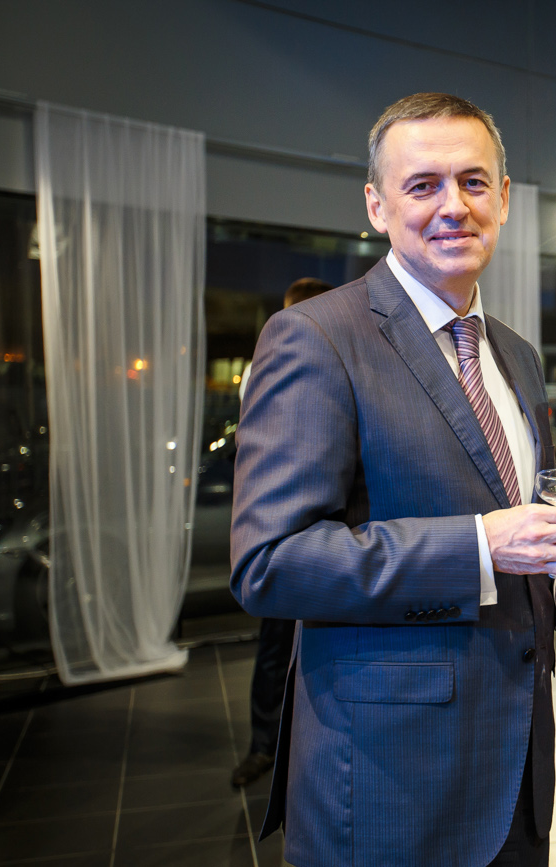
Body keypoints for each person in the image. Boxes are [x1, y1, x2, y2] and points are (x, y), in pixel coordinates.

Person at [230, 92, 556, 866]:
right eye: (423, 185)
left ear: (503, 199)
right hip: (389, 779)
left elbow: (509, 523)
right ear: (377, 205)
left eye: (474, 182)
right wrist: (478, 546)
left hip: (518, 770)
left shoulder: (515, 353)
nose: (454, 205)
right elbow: (269, 563)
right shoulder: (315, 337)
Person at [230, 277, 334, 789]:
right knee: (276, 644)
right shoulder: (278, 356)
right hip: (290, 534)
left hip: (333, 533)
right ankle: (264, 744)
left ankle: (286, 743)